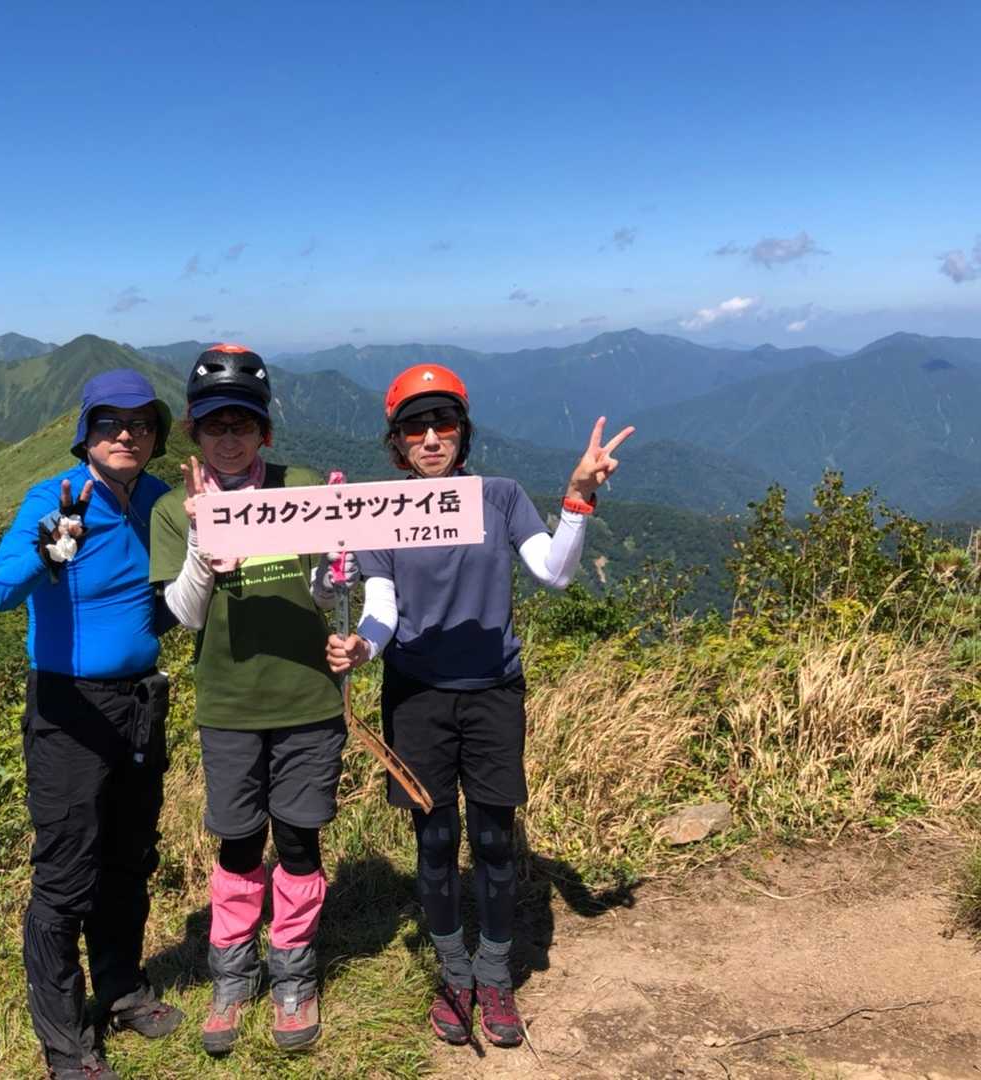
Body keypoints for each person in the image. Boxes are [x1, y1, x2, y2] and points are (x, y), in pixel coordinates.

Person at [325, 363, 632, 1049]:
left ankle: (493, 974)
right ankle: (453, 973)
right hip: (417, 697)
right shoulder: (384, 513)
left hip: (493, 690)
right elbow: (382, 608)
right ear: (397, 442)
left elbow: (553, 571)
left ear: (463, 432)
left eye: (443, 424)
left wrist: (578, 497)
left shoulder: (499, 497)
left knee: (493, 840)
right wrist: (363, 648)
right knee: (434, 841)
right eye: (415, 428)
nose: (431, 438)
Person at [0, 369, 183, 1080]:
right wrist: (50, 548)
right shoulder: (55, 498)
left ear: (156, 435)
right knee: (66, 878)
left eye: (140, 423)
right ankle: (67, 1046)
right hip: (68, 709)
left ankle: (122, 990)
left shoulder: (160, 501)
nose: (126, 434)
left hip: (141, 704)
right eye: (109, 422)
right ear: (86, 434)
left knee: (128, 858)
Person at [150, 344, 354, 1055]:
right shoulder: (175, 508)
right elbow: (186, 617)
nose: (229, 437)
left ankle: (293, 975)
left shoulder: (301, 486)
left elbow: (324, 594)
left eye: (242, 423)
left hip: (307, 698)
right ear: (195, 433)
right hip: (230, 704)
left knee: (298, 838)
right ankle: (232, 977)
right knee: (238, 843)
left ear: (264, 430)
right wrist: (203, 547)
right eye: (215, 425)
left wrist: (336, 562)